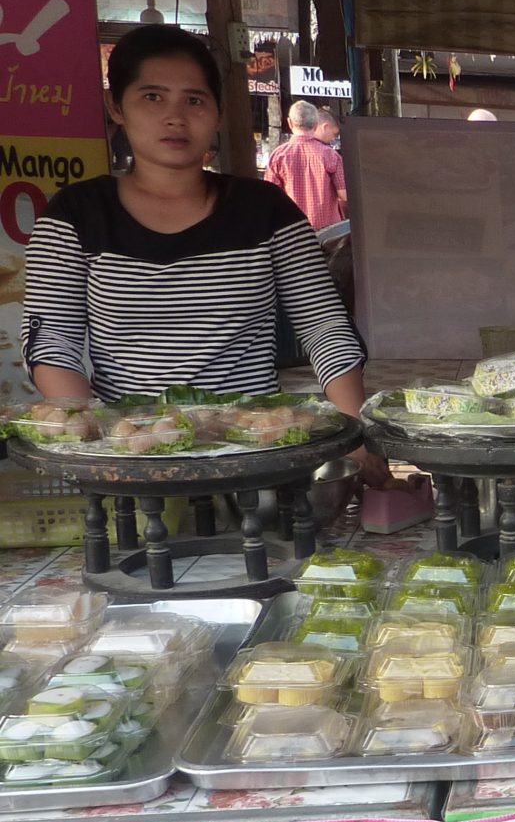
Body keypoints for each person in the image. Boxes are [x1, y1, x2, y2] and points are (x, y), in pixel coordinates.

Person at [22, 24, 386, 480]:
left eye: (194, 100)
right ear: (116, 106)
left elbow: (324, 325)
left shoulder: (265, 210)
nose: (175, 117)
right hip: (131, 457)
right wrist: (89, 437)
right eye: (152, 97)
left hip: (259, 453)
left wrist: (354, 437)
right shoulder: (75, 214)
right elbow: (52, 339)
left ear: (216, 112)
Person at [263, 99, 348, 230]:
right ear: (315, 125)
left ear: (290, 123)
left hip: (292, 231)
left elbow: (269, 198)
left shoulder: (278, 156)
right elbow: (344, 195)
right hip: (329, 234)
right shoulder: (330, 155)